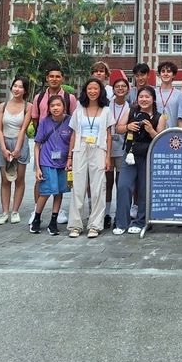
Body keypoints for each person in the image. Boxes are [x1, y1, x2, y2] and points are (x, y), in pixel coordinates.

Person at [30, 63, 77, 226]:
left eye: (58, 76)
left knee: (59, 187)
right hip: (45, 147)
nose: (54, 79)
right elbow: (35, 118)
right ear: (47, 78)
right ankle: (37, 212)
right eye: (51, 76)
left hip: (63, 150)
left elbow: (74, 125)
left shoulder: (69, 98)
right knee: (41, 181)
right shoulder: (39, 97)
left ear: (62, 78)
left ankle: (55, 216)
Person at [66, 78, 114, 238]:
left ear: (100, 91)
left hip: (99, 149)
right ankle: (75, 225)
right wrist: (70, 156)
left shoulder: (106, 110)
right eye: (89, 89)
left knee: (98, 188)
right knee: (78, 188)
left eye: (96, 89)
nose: (93, 91)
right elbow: (73, 133)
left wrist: (108, 157)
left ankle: (95, 225)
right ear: (85, 91)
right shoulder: (79, 110)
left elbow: (109, 135)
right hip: (80, 149)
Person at [114, 86, 165, 234]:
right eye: (141, 96)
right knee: (123, 186)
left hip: (148, 156)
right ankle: (121, 222)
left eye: (147, 97)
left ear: (153, 99)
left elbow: (160, 139)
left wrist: (150, 130)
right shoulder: (131, 111)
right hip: (130, 154)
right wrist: (128, 126)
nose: (144, 99)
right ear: (137, 99)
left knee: (144, 189)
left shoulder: (159, 116)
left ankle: (141, 221)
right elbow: (118, 128)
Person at [30, 95, 73, 235]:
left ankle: (53, 221)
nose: (55, 108)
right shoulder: (44, 122)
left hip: (63, 163)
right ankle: (37, 218)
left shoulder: (70, 121)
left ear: (64, 107)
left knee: (59, 192)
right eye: (52, 105)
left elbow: (73, 141)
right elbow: (37, 145)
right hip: (47, 161)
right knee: (46, 191)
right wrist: (37, 167)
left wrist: (70, 159)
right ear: (48, 108)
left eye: (58, 105)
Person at [0, 76, 32, 225]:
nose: (17, 89)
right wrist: (3, 148)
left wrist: (17, 149)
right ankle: (5, 211)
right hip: (4, 143)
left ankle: (15, 211)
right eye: (15, 86)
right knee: (5, 179)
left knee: (19, 179)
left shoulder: (28, 107)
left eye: (20, 87)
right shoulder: (2, 106)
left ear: (25, 90)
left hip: (20, 143)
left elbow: (23, 129)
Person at [104, 77, 131, 229]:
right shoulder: (107, 106)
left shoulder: (131, 107)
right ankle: (107, 213)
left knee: (121, 183)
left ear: (128, 89)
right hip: (108, 148)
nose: (120, 89)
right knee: (107, 182)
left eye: (123, 86)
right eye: (117, 86)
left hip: (123, 148)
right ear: (113, 90)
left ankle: (119, 214)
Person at [156, 60, 182, 125]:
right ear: (159, 75)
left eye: (169, 71)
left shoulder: (180, 95)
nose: (165, 74)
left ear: (173, 75)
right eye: (163, 71)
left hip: (173, 132)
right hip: (155, 132)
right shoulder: (153, 93)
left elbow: (181, 117)